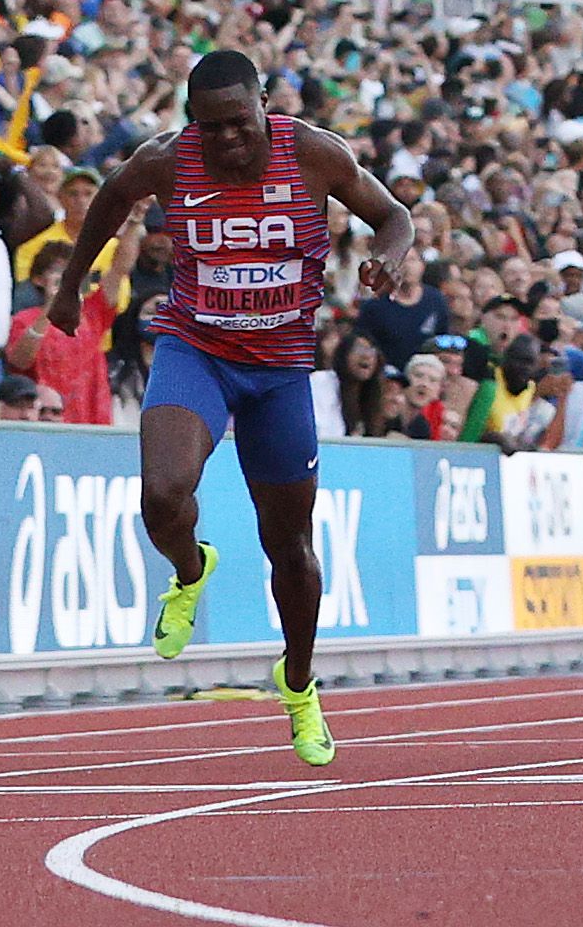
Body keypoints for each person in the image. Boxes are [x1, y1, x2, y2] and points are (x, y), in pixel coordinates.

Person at [40, 50, 416, 769]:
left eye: (238, 124)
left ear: (265, 105)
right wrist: (69, 286)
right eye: (207, 128)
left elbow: (392, 214)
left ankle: (298, 683)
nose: (225, 142)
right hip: (196, 349)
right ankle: (190, 568)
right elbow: (110, 199)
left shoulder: (312, 154)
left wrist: (388, 257)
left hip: (279, 371)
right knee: (162, 494)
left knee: (291, 550)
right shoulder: (167, 160)